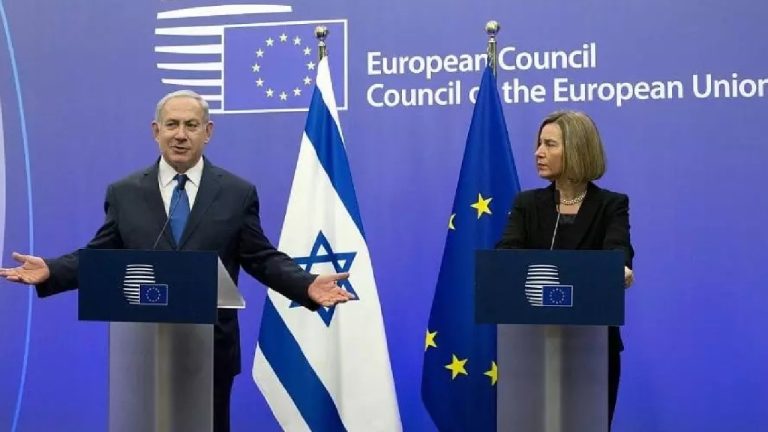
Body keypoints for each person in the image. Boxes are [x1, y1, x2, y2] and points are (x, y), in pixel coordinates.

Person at [0, 89, 354, 432]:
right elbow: (101, 255)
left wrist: (306, 284)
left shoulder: (235, 192)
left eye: (191, 125)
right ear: (156, 131)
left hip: (211, 349)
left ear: (208, 131)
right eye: (171, 125)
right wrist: (52, 270)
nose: (180, 135)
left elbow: (261, 257)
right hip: (144, 347)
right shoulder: (125, 193)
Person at [496, 110, 634, 427]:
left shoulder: (611, 205)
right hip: (531, 345)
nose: (538, 152)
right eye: (538, 144)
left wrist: (618, 270)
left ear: (575, 149)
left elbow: (617, 251)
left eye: (549, 144)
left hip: (591, 349)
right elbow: (507, 254)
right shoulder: (527, 204)